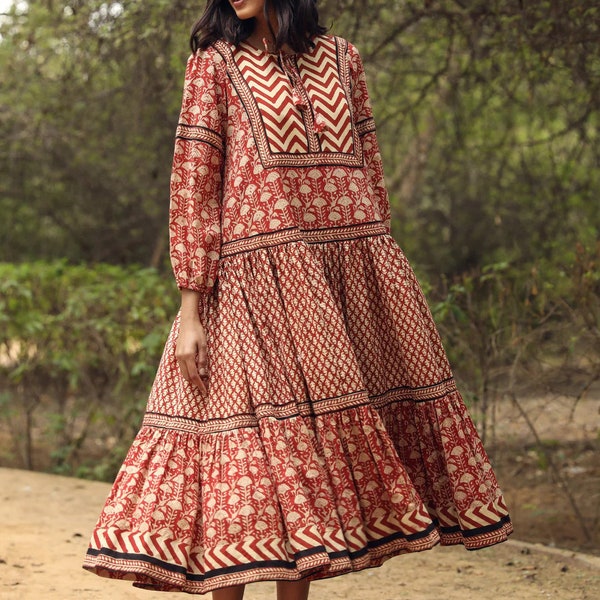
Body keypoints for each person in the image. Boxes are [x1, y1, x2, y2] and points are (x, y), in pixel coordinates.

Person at [83, 0, 513, 598]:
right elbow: (193, 184)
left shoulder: (343, 58)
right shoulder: (215, 64)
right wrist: (190, 309)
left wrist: (380, 276)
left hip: (346, 281)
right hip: (250, 287)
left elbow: (369, 167)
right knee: (248, 457)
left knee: (312, 466)